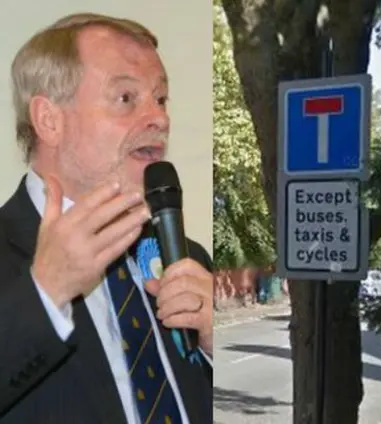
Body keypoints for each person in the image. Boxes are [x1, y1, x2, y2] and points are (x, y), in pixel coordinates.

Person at [0, 13, 213, 423]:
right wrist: (45, 291)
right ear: (49, 119)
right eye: (126, 98)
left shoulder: (188, 258)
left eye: (161, 98)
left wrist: (212, 345)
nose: (160, 119)